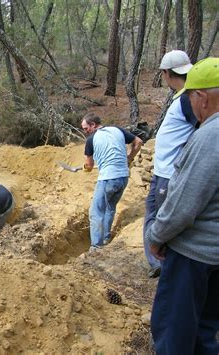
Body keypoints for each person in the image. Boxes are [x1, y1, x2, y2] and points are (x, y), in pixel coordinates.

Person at [146, 57, 219, 354]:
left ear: (201, 97)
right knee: (205, 329)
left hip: (194, 254)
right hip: (213, 254)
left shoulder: (209, 137)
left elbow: (184, 204)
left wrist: (156, 236)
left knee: (173, 332)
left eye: (190, 97)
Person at [143, 50, 198, 278]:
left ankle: (165, 266)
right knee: (153, 215)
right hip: (163, 171)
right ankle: (158, 263)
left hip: (169, 173)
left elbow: (201, 130)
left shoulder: (188, 98)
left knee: (162, 219)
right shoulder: (185, 96)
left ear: (166, 74)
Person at [82, 113, 143, 250]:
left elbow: (89, 166)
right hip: (123, 177)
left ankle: (96, 247)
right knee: (110, 208)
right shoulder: (117, 130)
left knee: (96, 212)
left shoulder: (91, 140)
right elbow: (138, 142)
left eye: (86, 128)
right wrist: (129, 158)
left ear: (93, 125)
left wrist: (86, 168)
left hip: (108, 178)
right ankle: (106, 237)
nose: (85, 132)